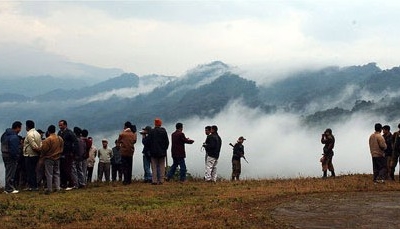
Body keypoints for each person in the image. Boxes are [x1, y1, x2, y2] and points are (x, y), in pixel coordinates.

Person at [40, 125, 64, 194]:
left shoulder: (48, 139)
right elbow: (62, 148)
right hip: (58, 157)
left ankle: (49, 188)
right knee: (57, 173)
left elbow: (44, 149)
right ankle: (58, 187)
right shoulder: (60, 138)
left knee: (49, 174)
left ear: (48, 131)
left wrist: (43, 155)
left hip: (49, 158)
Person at [1, 121, 22, 194]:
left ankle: (7, 188)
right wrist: (16, 156)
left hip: (4, 154)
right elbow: (14, 149)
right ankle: (9, 189)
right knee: (11, 172)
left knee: (8, 171)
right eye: (20, 128)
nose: (20, 130)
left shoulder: (5, 134)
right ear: (17, 127)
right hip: (11, 156)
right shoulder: (14, 136)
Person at [58, 120, 78, 190]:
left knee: (68, 169)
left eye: (61, 125)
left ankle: (71, 184)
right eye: (59, 125)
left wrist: (73, 152)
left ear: (65, 125)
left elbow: (75, 142)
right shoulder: (59, 133)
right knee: (62, 169)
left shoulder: (70, 133)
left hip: (68, 153)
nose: (60, 127)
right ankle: (63, 183)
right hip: (61, 153)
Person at [148, 118, 169, 185]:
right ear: (160, 124)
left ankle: (154, 180)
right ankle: (161, 180)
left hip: (153, 152)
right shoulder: (163, 131)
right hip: (162, 152)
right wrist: (165, 149)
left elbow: (148, 141)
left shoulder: (151, 131)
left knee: (154, 166)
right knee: (162, 166)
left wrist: (150, 149)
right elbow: (167, 142)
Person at [23, 120, 42, 191]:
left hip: (30, 155)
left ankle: (33, 186)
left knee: (30, 171)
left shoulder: (29, 134)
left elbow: (33, 145)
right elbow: (40, 144)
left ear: (27, 126)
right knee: (34, 171)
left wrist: (38, 151)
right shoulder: (37, 133)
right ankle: (34, 185)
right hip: (35, 155)